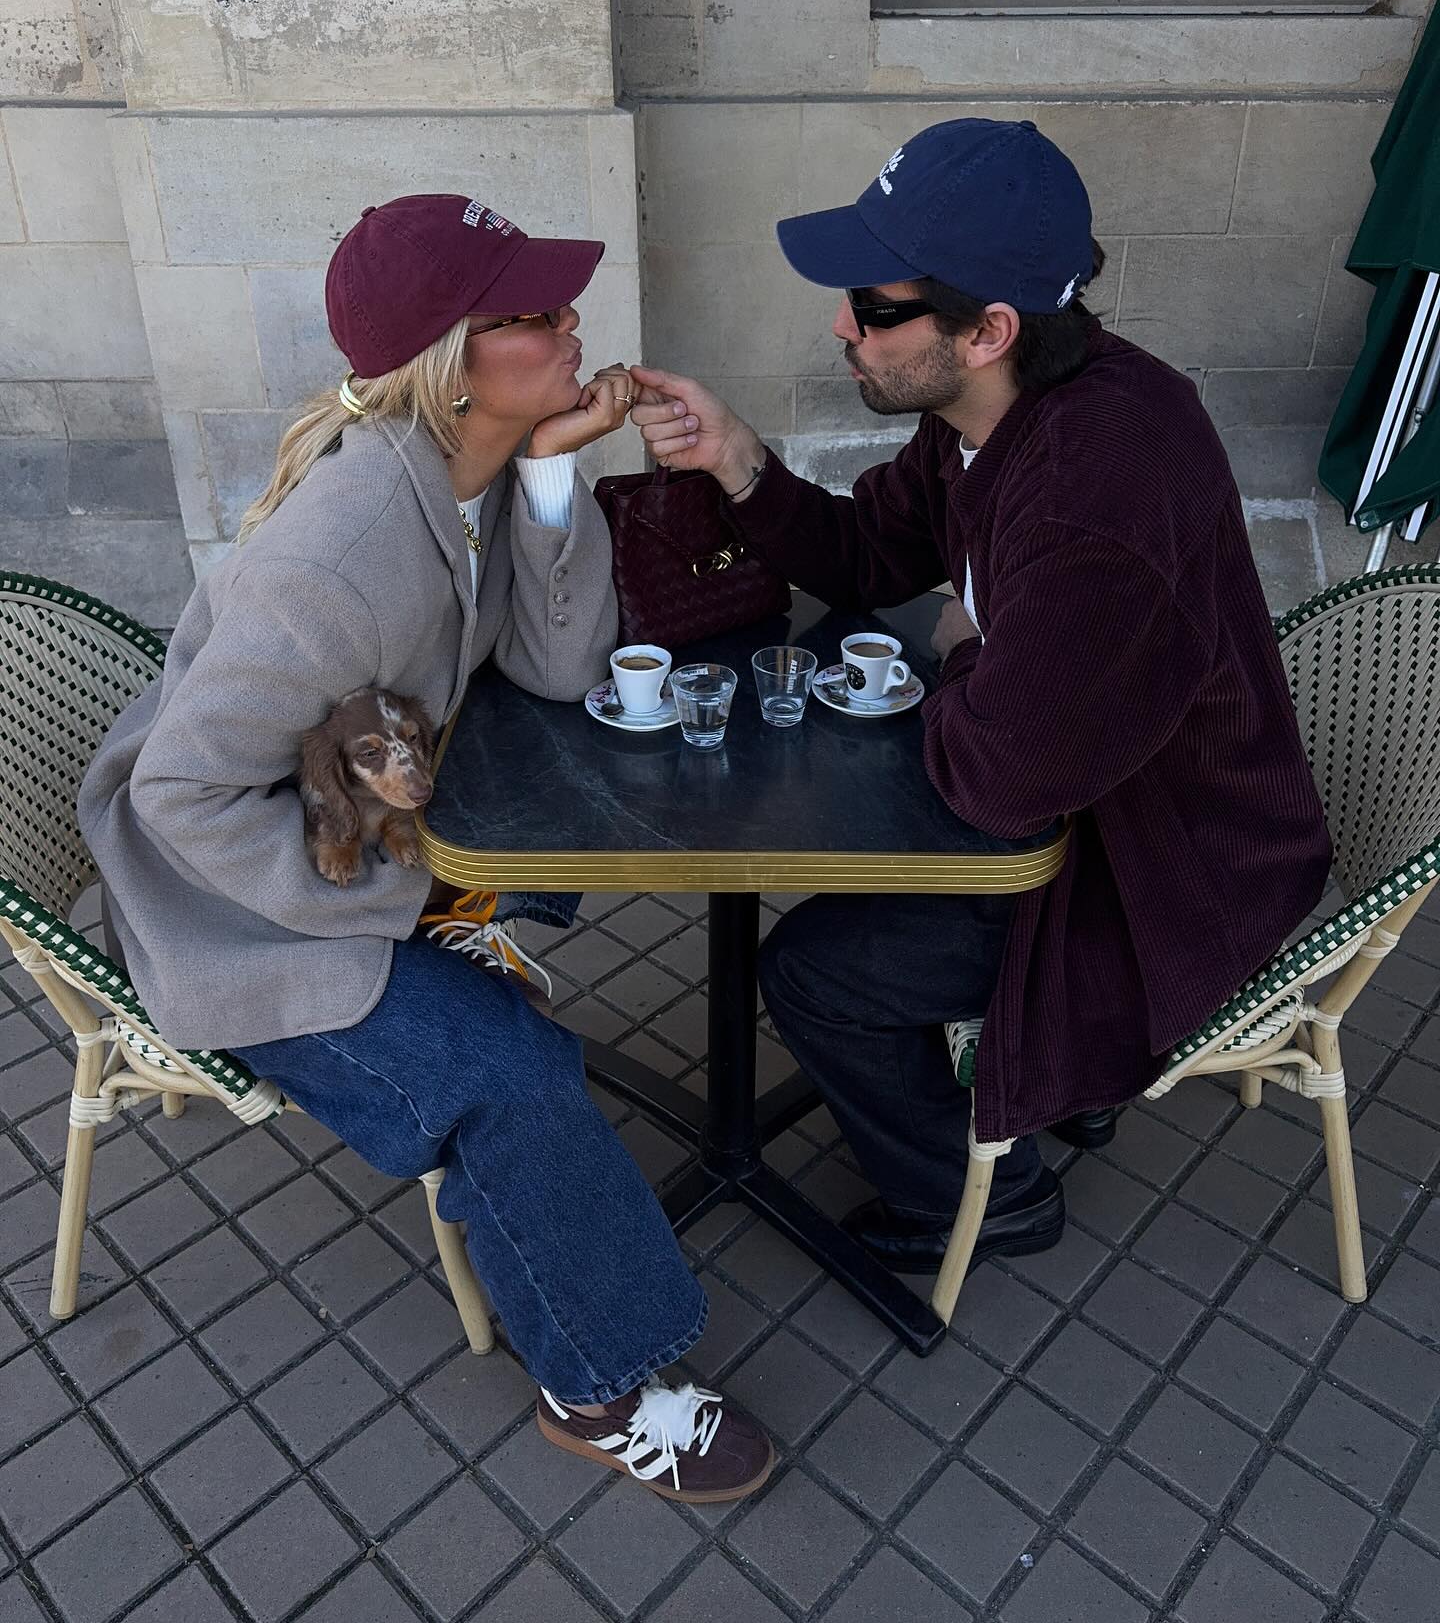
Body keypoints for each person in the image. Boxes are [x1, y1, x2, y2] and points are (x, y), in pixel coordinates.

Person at [78, 194, 773, 1502]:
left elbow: (561, 669)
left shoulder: (464, 481)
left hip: (339, 841)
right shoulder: (341, 549)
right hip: (226, 921)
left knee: (556, 871)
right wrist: (411, 898)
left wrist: (556, 469)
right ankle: (598, 1383)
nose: (575, 323)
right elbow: (182, 799)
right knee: (514, 1072)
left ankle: (516, 1168)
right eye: (535, 314)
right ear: (453, 364)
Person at [629, 119, 1332, 1274]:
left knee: (813, 972)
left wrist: (965, 646)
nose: (843, 326)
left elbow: (1002, 779)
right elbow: (867, 555)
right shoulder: (980, 423)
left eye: (876, 305)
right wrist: (737, 459)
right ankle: (1036, 1090)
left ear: (989, 329)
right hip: (1098, 807)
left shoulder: (1098, 481)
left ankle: (987, 1199)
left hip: (1155, 877)